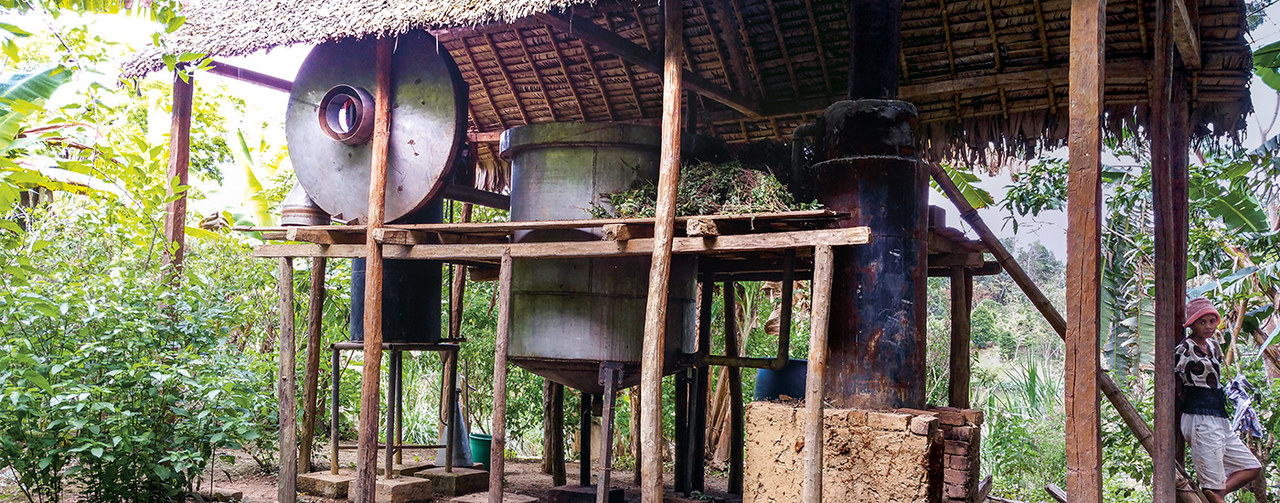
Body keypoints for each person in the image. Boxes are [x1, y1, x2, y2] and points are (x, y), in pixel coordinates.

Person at [1176, 297, 1262, 503]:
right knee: (1212, 486)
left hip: (1219, 418)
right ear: (1192, 325)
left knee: (1252, 467)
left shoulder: (1214, 346)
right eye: (1201, 322)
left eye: (1211, 321)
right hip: (1199, 419)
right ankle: (1215, 494)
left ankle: (1217, 494)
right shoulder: (1184, 348)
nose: (1208, 327)